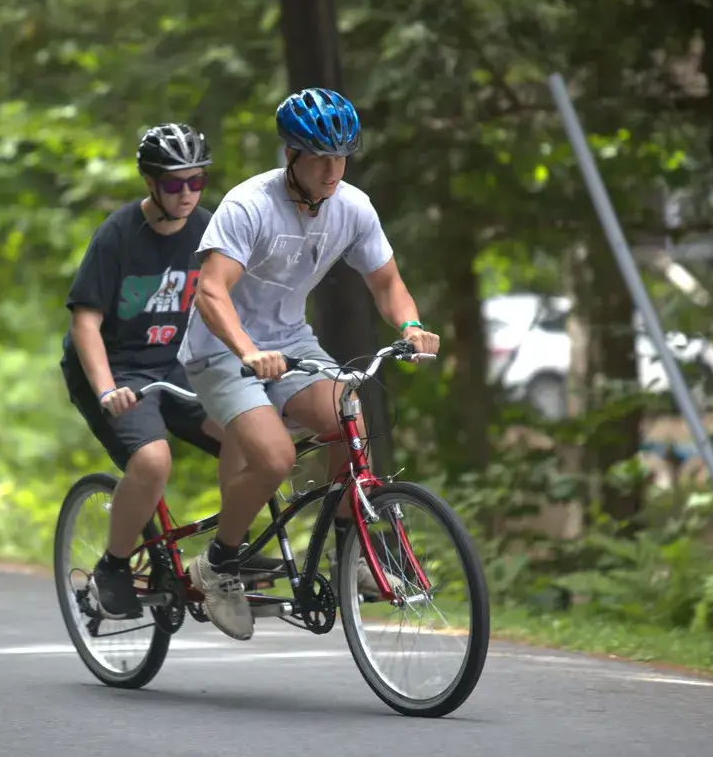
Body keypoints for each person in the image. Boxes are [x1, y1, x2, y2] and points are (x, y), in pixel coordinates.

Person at [177, 88, 442, 640]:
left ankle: (354, 557)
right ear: (292, 155)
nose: (332, 170)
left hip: (292, 343)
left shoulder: (352, 206)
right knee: (274, 457)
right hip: (222, 349)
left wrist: (411, 327)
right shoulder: (249, 204)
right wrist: (247, 350)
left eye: (341, 157)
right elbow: (210, 292)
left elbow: (387, 283)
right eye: (320, 157)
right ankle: (219, 564)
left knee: (352, 428)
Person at [61, 122, 280, 620]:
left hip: (183, 365)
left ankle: (227, 554)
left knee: (250, 438)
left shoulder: (210, 230)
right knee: (153, 462)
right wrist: (106, 390)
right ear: (150, 183)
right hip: (116, 368)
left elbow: (233, 301)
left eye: (196, 181)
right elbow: (85, 323)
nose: (187, 194)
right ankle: (113, 566)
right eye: (174, 183)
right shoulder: (118, 234)